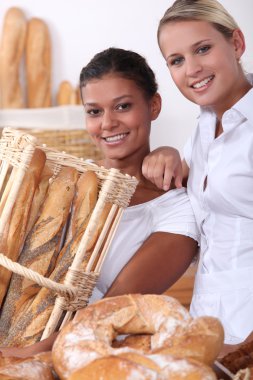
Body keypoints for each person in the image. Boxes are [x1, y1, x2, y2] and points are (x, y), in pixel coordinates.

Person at [0, 47, 198, 357]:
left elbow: (108, 312)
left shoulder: (176, 210)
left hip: (91, 359)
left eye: (122, 106)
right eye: (94, 111)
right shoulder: (61, 187)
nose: (107, 123)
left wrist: (22, 356)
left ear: (154, 105)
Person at [142, 0, 253, 352]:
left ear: (236, 44)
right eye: (177, 60)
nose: (192, 69)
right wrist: (169, 154)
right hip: (209, 332)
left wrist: (246, 349)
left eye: (202, 49)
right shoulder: (205, 128)